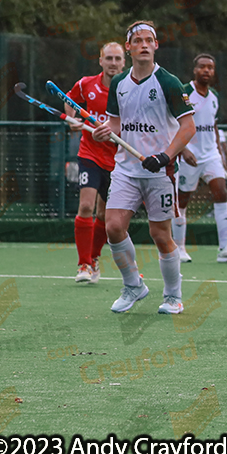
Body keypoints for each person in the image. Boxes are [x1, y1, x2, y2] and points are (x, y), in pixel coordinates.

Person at [92, 21, 195, 315]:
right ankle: (133, 285)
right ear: (129, 48)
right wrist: (106, 131)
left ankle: (173, 296)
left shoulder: (169, 82)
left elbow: (188, 127)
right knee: (113, 226)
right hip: (126, 169)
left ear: (156, 45)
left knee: (161, 235)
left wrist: (165, 156)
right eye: (138, 40)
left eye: (149, 40)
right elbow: (115, 123)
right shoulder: (119, 84)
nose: (144, 45)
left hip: (159, 171)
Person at [172, 53, 227, 263]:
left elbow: (212, 125)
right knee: (182, 201)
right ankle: (179, 248)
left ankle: (225, 248)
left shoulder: (213, 95)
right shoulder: (185, 92)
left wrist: (221, 154)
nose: (206, 71)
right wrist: (183, 150)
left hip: (210, 155)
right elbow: (173, 122)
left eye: (210, 68)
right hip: (189, 156)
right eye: (202, 67)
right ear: (195, 70)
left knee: (221, 193)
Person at [66, 42, 125, 283]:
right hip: (89, 154)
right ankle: (83, 265)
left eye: (117, 59)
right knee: (86, 207)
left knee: (104, 214)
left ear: (124, 62)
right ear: (100, 61)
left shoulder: (129, 88)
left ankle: (94, 257)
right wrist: (72, 120)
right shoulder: (86, 84)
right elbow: (70, 100)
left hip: (118, 159)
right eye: (108, 58)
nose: (113, 63)